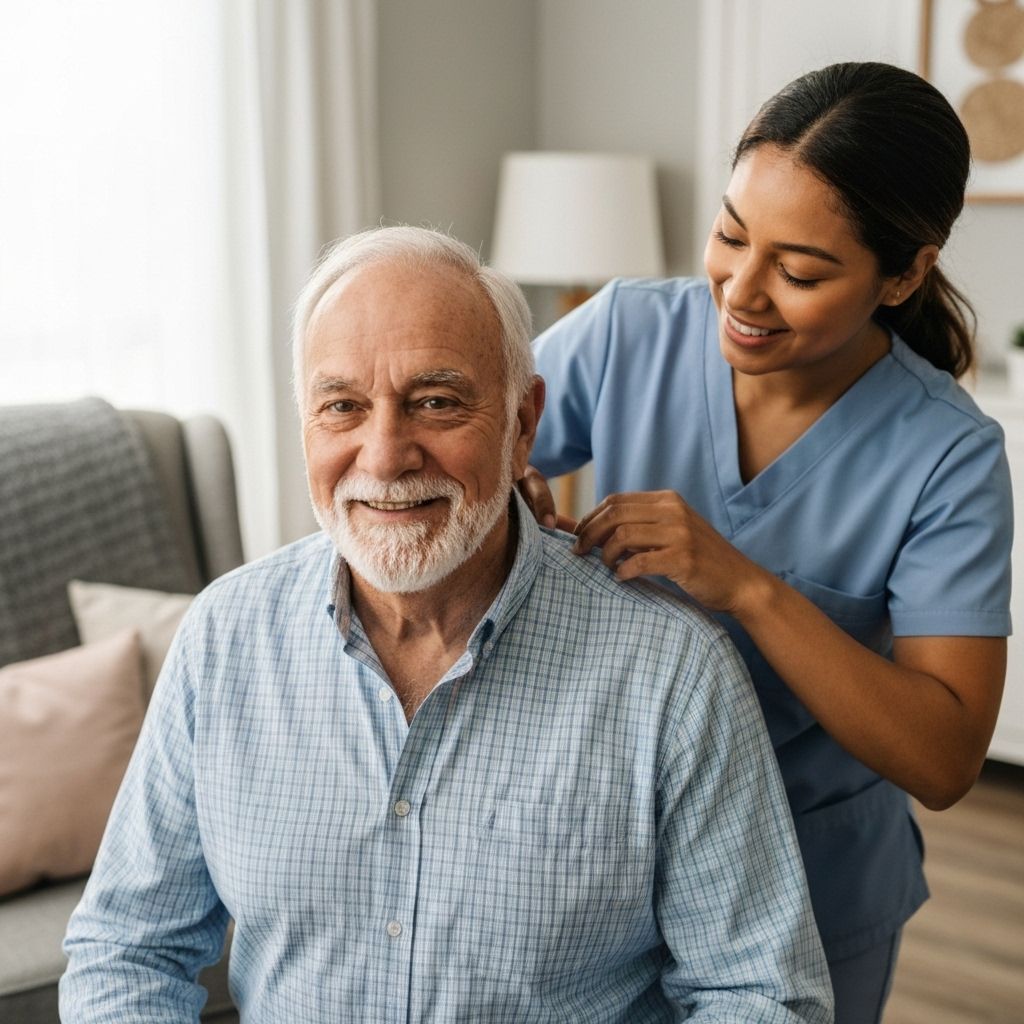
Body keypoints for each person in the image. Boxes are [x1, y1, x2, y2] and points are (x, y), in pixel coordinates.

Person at [60, 226, 833, 1022]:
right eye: (343, 406)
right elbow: (127, 948)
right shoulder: (222, 639)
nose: (386, 454)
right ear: (304, 425)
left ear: (522, 423)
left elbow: (761, 997)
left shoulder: (672, 673)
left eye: (436, 402)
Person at [522, 62, 1014, 1024]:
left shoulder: (948, 454)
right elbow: (471, 450)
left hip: (813, 888)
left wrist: (748, 587)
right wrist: (509, 483)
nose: (741, 293)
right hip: (602, 864)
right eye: (730, 235)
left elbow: (946, 756)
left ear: (905, 273)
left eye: (799, 271)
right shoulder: (628, 329)